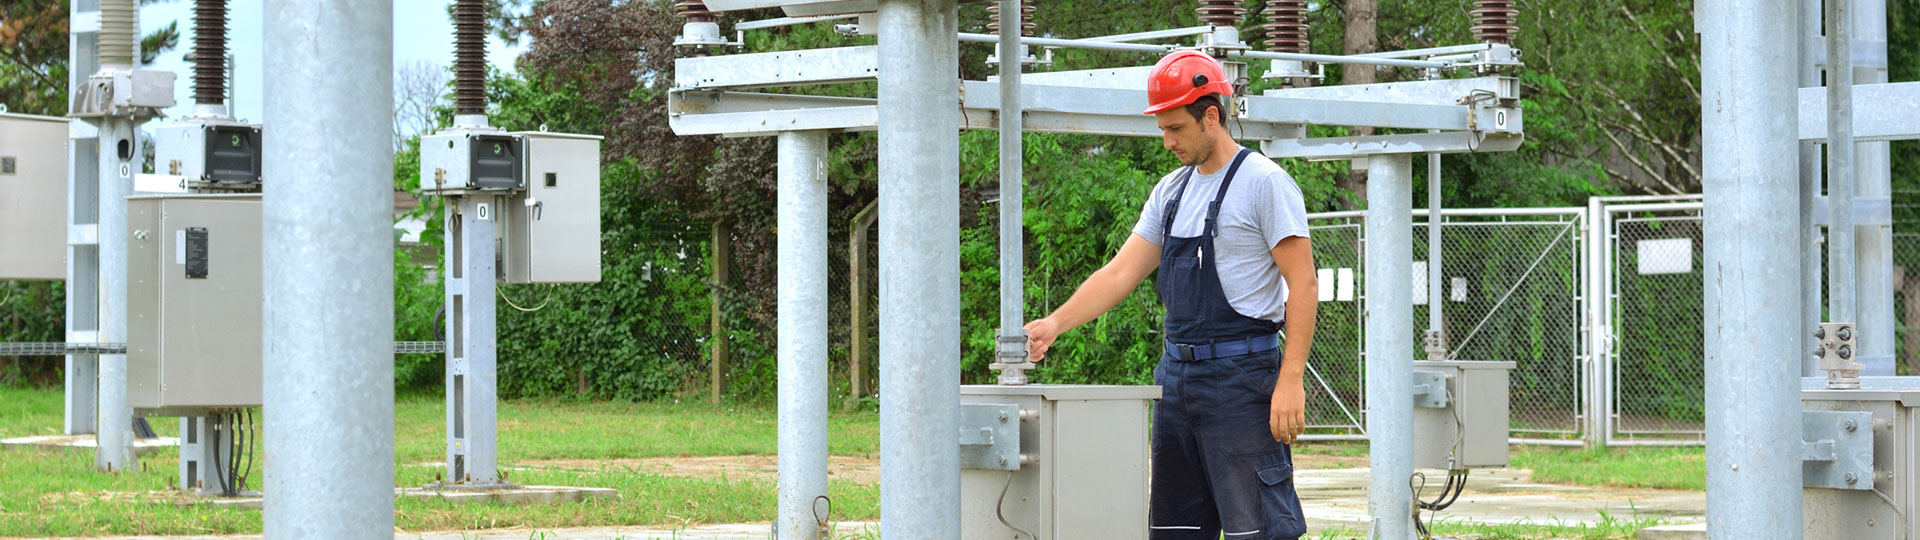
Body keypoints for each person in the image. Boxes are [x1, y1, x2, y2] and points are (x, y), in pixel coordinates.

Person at [1022, 49, 1318, 540]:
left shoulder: (1264, 183)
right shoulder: (1171, 192)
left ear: (1211, 116)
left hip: (1243, 382)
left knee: (1259, 530)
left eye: (1175, 128)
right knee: (1177, 530)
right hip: (1176, 381)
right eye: (1162, 129)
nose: (1166, 142)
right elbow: (1120, 274)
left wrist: (1290, 379)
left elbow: (1303, 284)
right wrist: (1055, 323)